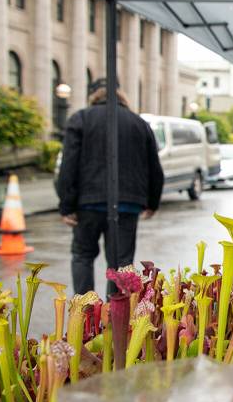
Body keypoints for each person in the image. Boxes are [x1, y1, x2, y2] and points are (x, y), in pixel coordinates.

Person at [57, 79, 163, 296]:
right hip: (127, 204)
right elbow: (154, 167)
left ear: (93, 96)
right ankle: (116, 316)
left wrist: (66, 206)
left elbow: (68, 164)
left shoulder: (81, 119)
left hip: (88, 203)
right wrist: (152, 202)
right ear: (121, 93)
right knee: (121, 263)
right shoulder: (138, 123)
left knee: (83, 256)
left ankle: (85, 314)